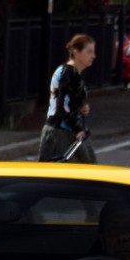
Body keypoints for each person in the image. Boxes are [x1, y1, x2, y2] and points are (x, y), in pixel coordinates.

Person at [38, 34, 97, 164]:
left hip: (70, 131)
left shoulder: (73, 73)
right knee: (69, 177)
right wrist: (77, 129)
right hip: (61, 133)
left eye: (93, 51)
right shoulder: (68, 73)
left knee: (87, 173)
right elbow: (61, 107)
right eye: (89, 51)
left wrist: (82, 107)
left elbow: (70, 102)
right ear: (76, 53)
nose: (93, 56)